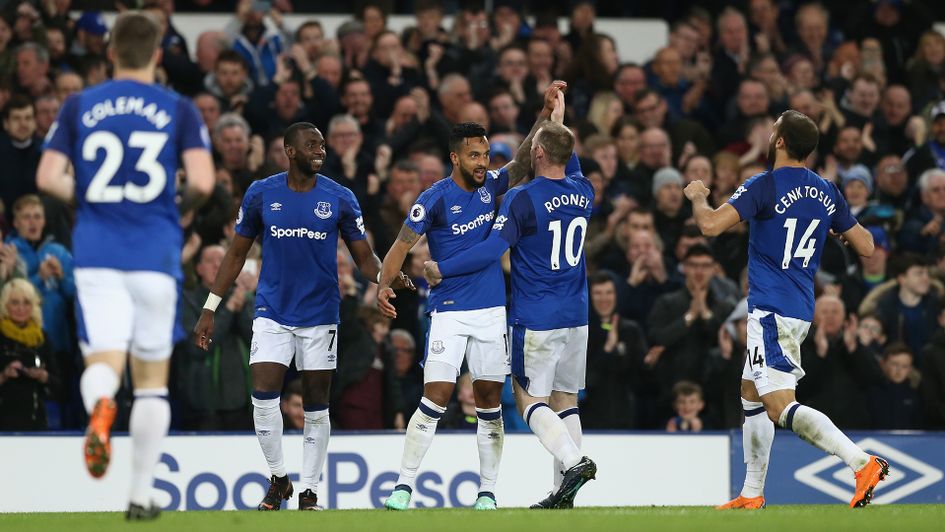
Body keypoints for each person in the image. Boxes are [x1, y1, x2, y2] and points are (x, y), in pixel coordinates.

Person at [36, 12, 215, 521]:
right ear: (158, 54)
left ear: (109, 52)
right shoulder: (178, 109)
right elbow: (202, 182)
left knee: (104, 364)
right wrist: (175, 208)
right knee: (153, 380)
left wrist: (92, 199)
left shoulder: (79, 105)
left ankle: (100, 408)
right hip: (155, 254)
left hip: (95, 252)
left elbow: (48, 176)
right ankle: (139, 496)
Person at [193, 121, 413, 512]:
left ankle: (309, 490)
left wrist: (384, 277)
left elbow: (363, 257)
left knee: (316, 402)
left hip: (321, 313)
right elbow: (235, 254)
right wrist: (211, 307)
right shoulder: (261, 194)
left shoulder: (340, 197)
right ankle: (278, 478)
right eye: (312, 145)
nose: (320, 151)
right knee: (263, 394)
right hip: (272, 311)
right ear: (289, 150)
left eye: (323, 146)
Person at [684, 109, 888, 510]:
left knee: (778, 405)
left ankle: (861, 462)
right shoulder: (827, 190)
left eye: (773, 127)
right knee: (750, 392)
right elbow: (866, 246)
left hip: (771, 309)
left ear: (779, 141)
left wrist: (697, 197)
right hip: (799, 307)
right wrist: (836, 228)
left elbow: (709, 226)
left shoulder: (764, 185)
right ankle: (752, 492)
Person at [378, 82, 564, 511]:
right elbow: (402, 245)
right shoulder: (435, 199)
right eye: (474, 156)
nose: (482, 163)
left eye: (484, 155)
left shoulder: (490, 186)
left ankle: (487, 493)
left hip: (491, 314)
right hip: (447, 312)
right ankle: (404, 486)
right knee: (435, 396)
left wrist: (542, 112)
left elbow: (520, 163)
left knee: (488, 404)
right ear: (454, 157)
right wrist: (382, 285)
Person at [424, 89, 598, 509]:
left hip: (537, 315)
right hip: (577, 315)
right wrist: (557, 116)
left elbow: (490, 250)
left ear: (536, 153)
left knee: (527, 400)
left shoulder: (522, 198)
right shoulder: (584, 189)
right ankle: (563, 496)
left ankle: (574, 462)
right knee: (566, 401)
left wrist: (442, 268)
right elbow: (564, 151)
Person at [0, 278, 58, 431]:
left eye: (26, 303)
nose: (21, 308)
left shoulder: (41, 338)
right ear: (5, 305)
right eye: (15, 303)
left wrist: (43, 376)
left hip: (35, 421)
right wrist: (4, 375)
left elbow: (60, 388)